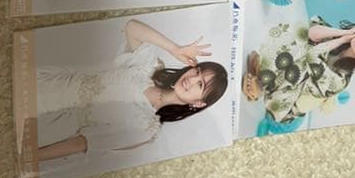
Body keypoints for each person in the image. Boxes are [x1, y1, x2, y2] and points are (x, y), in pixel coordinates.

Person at [36, 18, 228, 162]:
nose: (191, 79)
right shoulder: (149, 69)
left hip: (49, 121)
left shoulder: (146, 128)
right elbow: (132, 27)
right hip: (50, 82)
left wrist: (33, 156)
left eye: (200, 84)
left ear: (199, 103)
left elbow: (82, 143)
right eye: (197, 71)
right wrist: (175, 49)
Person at [242, 16, 355, 123]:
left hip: (287, 100)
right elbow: (311, 32)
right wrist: (343, 34)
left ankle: (261, 87)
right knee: (301, 35)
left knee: (303, 59)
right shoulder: (342, 38)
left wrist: (341, 40)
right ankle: (263, 72)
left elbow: (312, 57)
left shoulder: (341, 80)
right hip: (288, 77)